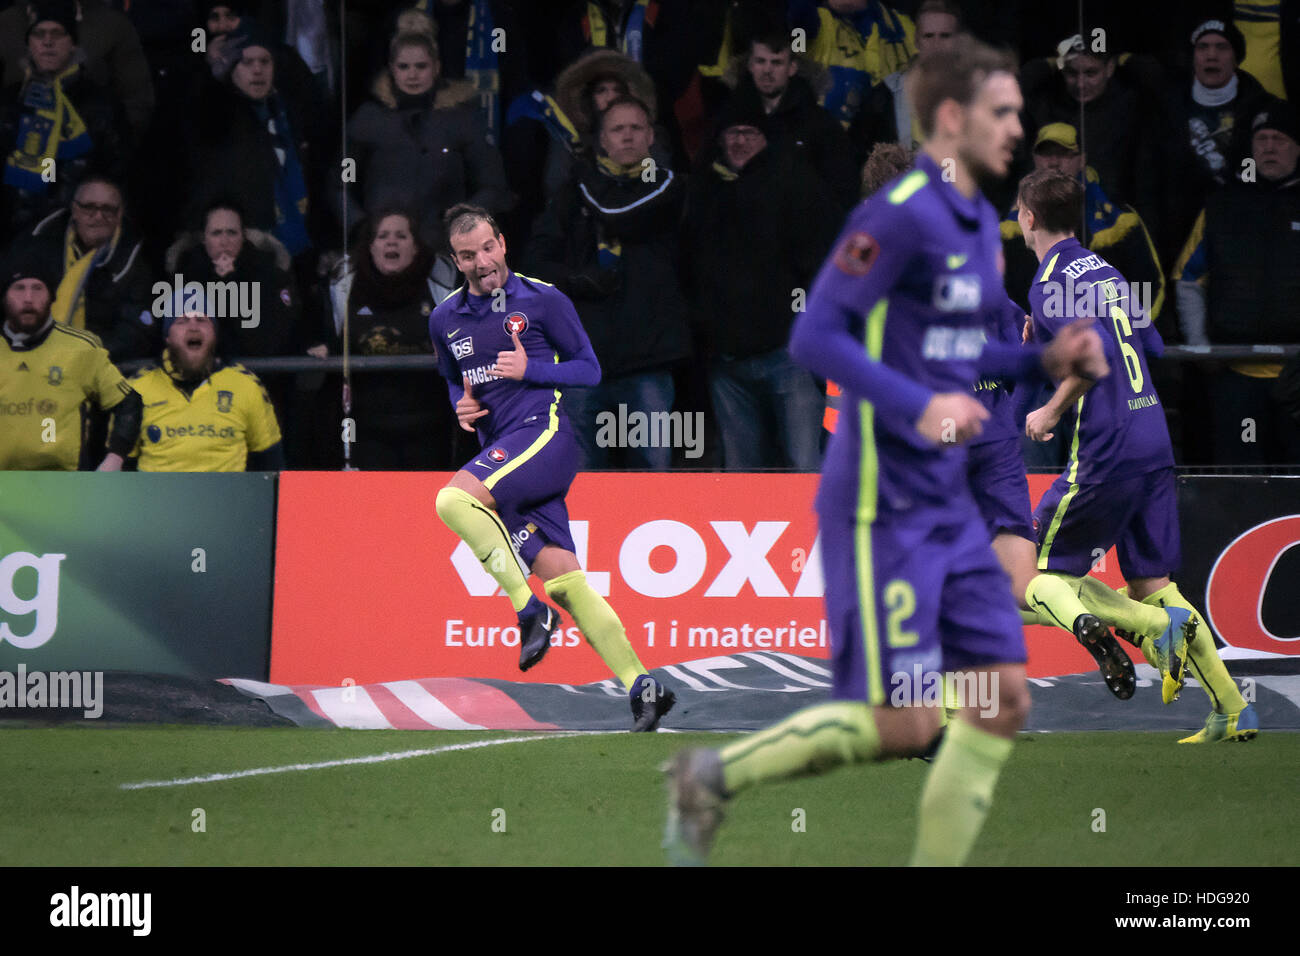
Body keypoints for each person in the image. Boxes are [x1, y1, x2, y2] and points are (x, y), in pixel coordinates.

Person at [662, 37, 1110, 866]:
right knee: (903, 724)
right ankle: (712, 776)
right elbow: (815, 339)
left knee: (998, 692)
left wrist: (1044, 362)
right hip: (884, 489)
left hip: (961, 463)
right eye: (1000, 113)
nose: (1015, 131)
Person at [1019, 168, 1258, 744]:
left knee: (1032, 578)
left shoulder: (1049, 279)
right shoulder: (1106, 270)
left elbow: (1092, 355)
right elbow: (1148, 343)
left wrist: (1049, 411)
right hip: (1152, 433)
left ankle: (1154, 630)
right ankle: (1233, 710)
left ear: (1027, 217)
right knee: (1153, 579)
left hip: (1108, 445)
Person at [429, 203, 675, 732]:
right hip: (505, 454)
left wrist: (531, 369)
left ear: (503, 243)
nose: (482, 261)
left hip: (546, 437)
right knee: (566, 581)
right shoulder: (444, 317)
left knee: (452, 499)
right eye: (468, 255)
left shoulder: (542, 299)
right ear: (456, 259)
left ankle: (527, 611)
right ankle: (643, 687)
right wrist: (461, 406)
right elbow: (453, 378)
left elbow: (590, 369)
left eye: (489, 247)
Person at [526, 94, 692, 470]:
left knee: (653, 478)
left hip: (648, 358)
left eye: (636, 128)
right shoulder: (572, 192)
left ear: (651, 136)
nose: (628, 136)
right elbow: (535, 263)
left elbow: (621, 218)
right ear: (602, 139)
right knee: (581, 480)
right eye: (618, 129)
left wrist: (586, 182)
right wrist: (576, 280)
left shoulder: (668, 186)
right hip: (584, 359)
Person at [684, 101, 837, 470]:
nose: (739, 141)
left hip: (787, 356)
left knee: (804, 466)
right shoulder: (705, 188)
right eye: (732, 133)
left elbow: (819, 263)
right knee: (741, 475)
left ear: (766, 139)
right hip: (726, 361)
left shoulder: (794, 183)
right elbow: (688, 265)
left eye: (749, 133)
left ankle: (814, 531)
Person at [1173, 101, 1300, 466]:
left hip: (1297, 378)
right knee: (1240, 482)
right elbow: (1187, 279)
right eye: (1262, 139)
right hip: (1237, 379)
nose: (1270, 147)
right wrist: (1201, 349)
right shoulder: (1223, 206)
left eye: (1280, 138)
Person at [343, 24, 513, 253]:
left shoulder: (463, 120)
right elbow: (341, 183)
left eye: (421, 66)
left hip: (442, 247)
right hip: (379, 247)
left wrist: (461, 221)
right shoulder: (368, 120)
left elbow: (491, 185)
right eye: (404, 66)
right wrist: (361, 224)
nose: (412, 74)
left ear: (436, 67)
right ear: (392, 69)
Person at [322, 208, 460, 470]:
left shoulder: (442, 283)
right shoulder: (344, 285)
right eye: (383, 236)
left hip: (429, 425)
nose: (391, 242)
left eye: (401, 236)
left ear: (416, 247)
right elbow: (328, 338)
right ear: (371, 247)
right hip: (367, 427)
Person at [0, 1, 131, 240]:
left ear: (73, 44)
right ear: (29, 45)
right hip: (12, 236)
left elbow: (119, 173)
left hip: (80, 236)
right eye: (39, 34)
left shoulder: (101, 104)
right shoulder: (9, 102)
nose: (47, 42)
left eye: (57, 34)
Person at [0, 252, 140, 471]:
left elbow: (128, 402)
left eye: (37, 288)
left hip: (62, 484)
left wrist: (115, 458)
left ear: (51, 297)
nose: (28, 298)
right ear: (5, 296)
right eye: (19, 288)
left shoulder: (81, 347)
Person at [126, 296, 284, 472]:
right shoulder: (137, 387)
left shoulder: (246, 384)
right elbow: (121, 467)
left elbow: (270, 463)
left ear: (214, 333)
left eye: (201, 320)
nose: (193, 327)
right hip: (158, 498)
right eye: (182, 321)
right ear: (167, 337)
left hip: (225, 498)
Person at [27, 175, 154, 363]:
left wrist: (82, 353)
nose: (98, 216)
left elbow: (137, 333)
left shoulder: (134, 264)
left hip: (94, 362)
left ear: (120, 215)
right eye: (89, 208)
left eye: (108, 209)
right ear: (74, 209)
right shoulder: (39, 242)